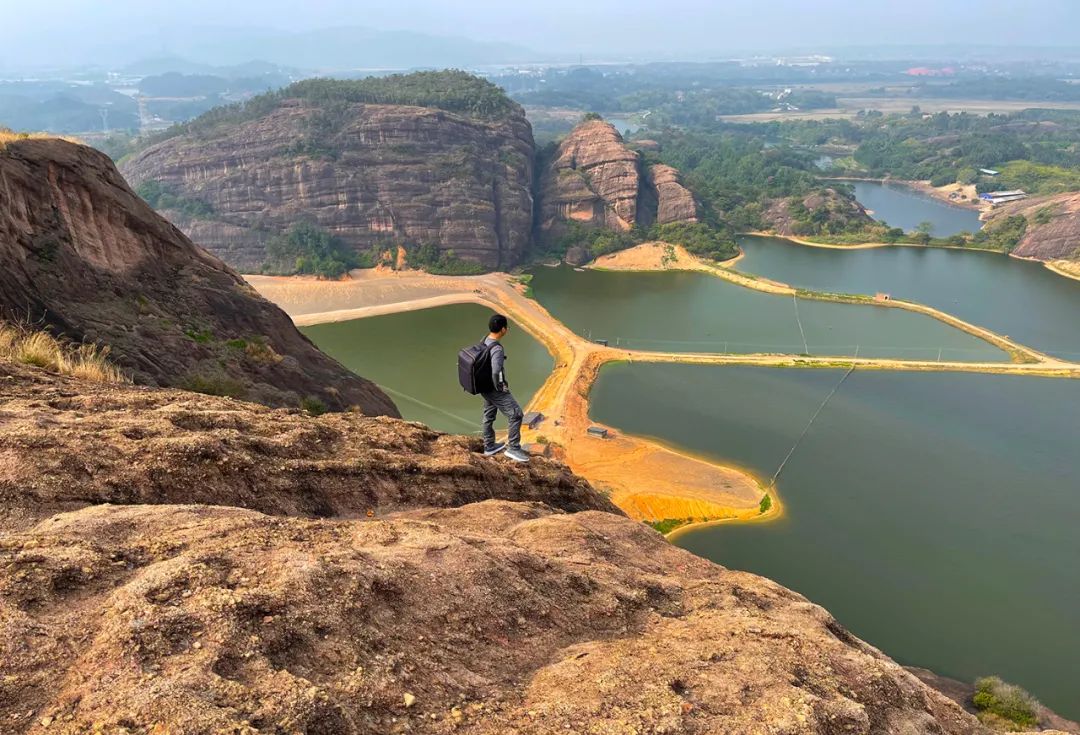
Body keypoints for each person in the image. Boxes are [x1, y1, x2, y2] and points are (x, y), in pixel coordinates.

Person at [480, 313, 529, 463]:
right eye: (506, 327)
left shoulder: (484, 340)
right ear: (503, 329)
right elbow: (496, 371)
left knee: (489, 415)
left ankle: (489, 446)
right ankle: (513, 448)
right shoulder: (497, 349)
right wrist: (500, 386)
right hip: (494, 388)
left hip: (484, 386)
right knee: (516, 414)